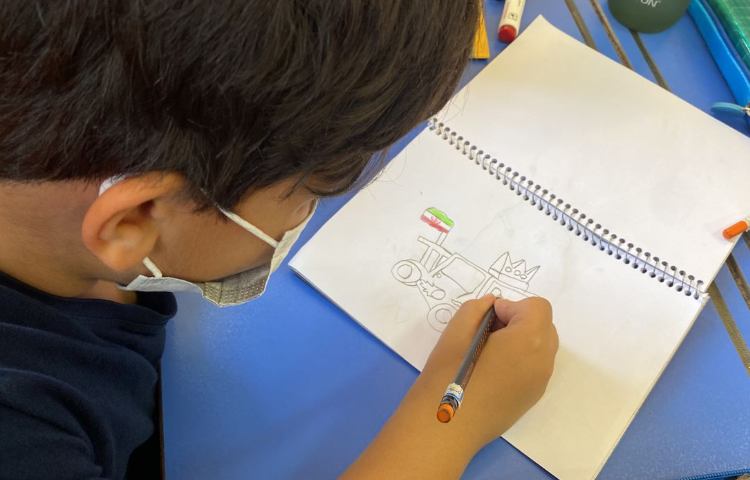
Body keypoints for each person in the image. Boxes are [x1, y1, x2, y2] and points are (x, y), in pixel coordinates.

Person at [0, 1, 558, 478]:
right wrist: (451, 422)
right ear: (134, 222)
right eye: (308, 192)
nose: (308, 213)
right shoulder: (28, 438)